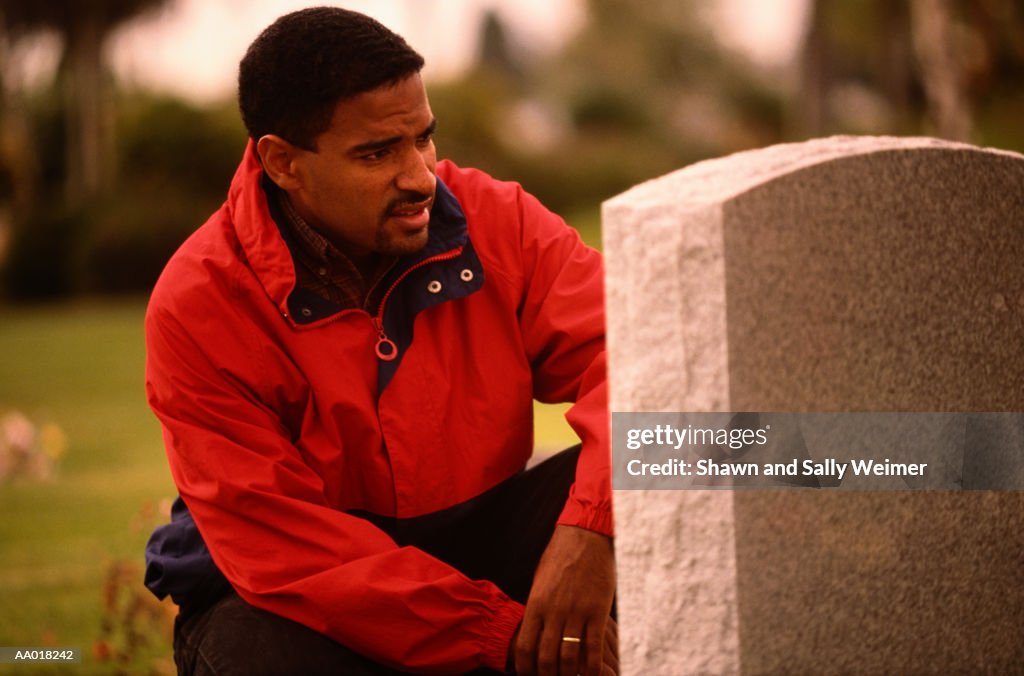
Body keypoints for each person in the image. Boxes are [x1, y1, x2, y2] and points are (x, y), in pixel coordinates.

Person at [142, 6, 615, 675]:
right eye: (377, 154)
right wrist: (494, 632)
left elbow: (639, 361)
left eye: (423, 139)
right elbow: (285, 551)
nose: (421, 176)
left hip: (480, 540)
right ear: (283, 163)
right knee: (261, 657)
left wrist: (592, 530)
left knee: (690, 470)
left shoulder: (497, 219)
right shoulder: (198, 303)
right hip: (290, 598)